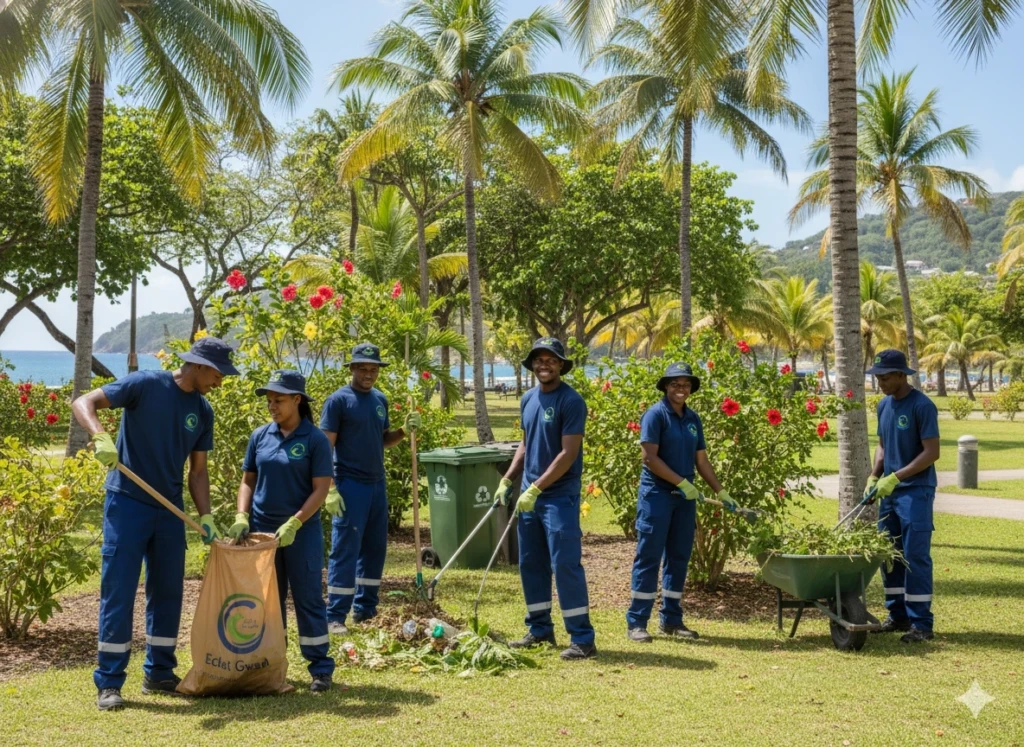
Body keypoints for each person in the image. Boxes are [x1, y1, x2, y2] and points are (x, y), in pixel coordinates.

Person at [71, 337, 237, 712]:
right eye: (218, 373)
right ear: (199, 365)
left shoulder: (203, 410)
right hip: (127, 503)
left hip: (169, 510)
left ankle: (160, 672)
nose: (220, 381)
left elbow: (198, 471)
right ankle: (109, 681)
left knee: (168, 592)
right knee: (120, 591)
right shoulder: (144, 384)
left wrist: (206, 515)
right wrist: (100, 436)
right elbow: (83, 402)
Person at [227, 370, 336, 692]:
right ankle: (272, 665)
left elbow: (321, 489)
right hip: (262, 534)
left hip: (301, 533)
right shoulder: (260, 436)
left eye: (278, 400)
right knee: (267, 602)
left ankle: (320, 668)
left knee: (308, 598)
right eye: (269, 400)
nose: (271, 406)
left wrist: (295, 522)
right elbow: (248, 481)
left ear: (297, 400)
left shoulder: (315, 440)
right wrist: (242, 515)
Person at [494, 337, 596, 660]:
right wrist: (508, 479)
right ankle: (539, 630)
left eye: (551, 360)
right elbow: (525, 444)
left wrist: (536, 488)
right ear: (532, 365)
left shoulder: (571, 401)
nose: (544, 365)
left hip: (558, 497)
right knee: (531, 564)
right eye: (538, 360)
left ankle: (582, 639)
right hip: (529, 495)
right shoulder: (528, 399)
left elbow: (568, 454)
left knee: (564, 565)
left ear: (561, 365)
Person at [626, 363, 736, 642]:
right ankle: (637, 622)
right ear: (666, 386)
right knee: (649, 557)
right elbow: (649, 458)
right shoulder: (655, 415)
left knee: (678, 558)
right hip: (657, 496)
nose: (681, 389)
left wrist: (721, 491)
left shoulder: (692, 418)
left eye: (686, 385)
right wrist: (681, 483)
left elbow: (701, 460)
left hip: (684, 500)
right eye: (675, 384)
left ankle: (672, 620)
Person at [320, 342, 420, 634]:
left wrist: (403, 431)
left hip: (377, 484)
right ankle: (335, 615)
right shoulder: (338, 401)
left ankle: (365, 610)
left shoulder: (379, 400)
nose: (368, 374)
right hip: (349, 484)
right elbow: (324, 448)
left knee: (375, 549)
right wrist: (330, 488)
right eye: (362, 368)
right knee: (346, 549)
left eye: (373, 369)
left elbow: (383, 440)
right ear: (352, 368)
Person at [865, 349, 940, 643]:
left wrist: (896, 477)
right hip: (889, 493)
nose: (880, 383)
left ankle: (921, 624)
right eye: (877, 378)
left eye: (885, 377)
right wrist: (875, 476)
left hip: (916, 492)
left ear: (900, 375)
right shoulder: (883, 405)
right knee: (889, 555)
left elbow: (931, 452)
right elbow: (882, 445)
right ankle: (897, 616)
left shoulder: (922, 406)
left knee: (915, 556)